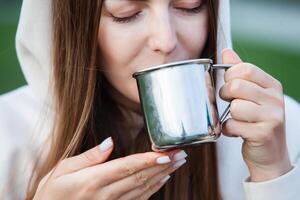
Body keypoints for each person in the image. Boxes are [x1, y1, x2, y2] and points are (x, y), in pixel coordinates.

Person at [0, 0, 300, 199]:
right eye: (127, 14)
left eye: (189, 6)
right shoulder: (9, 138)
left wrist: (274, 176)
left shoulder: (281, 128)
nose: (166, 40)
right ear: (79, 29)